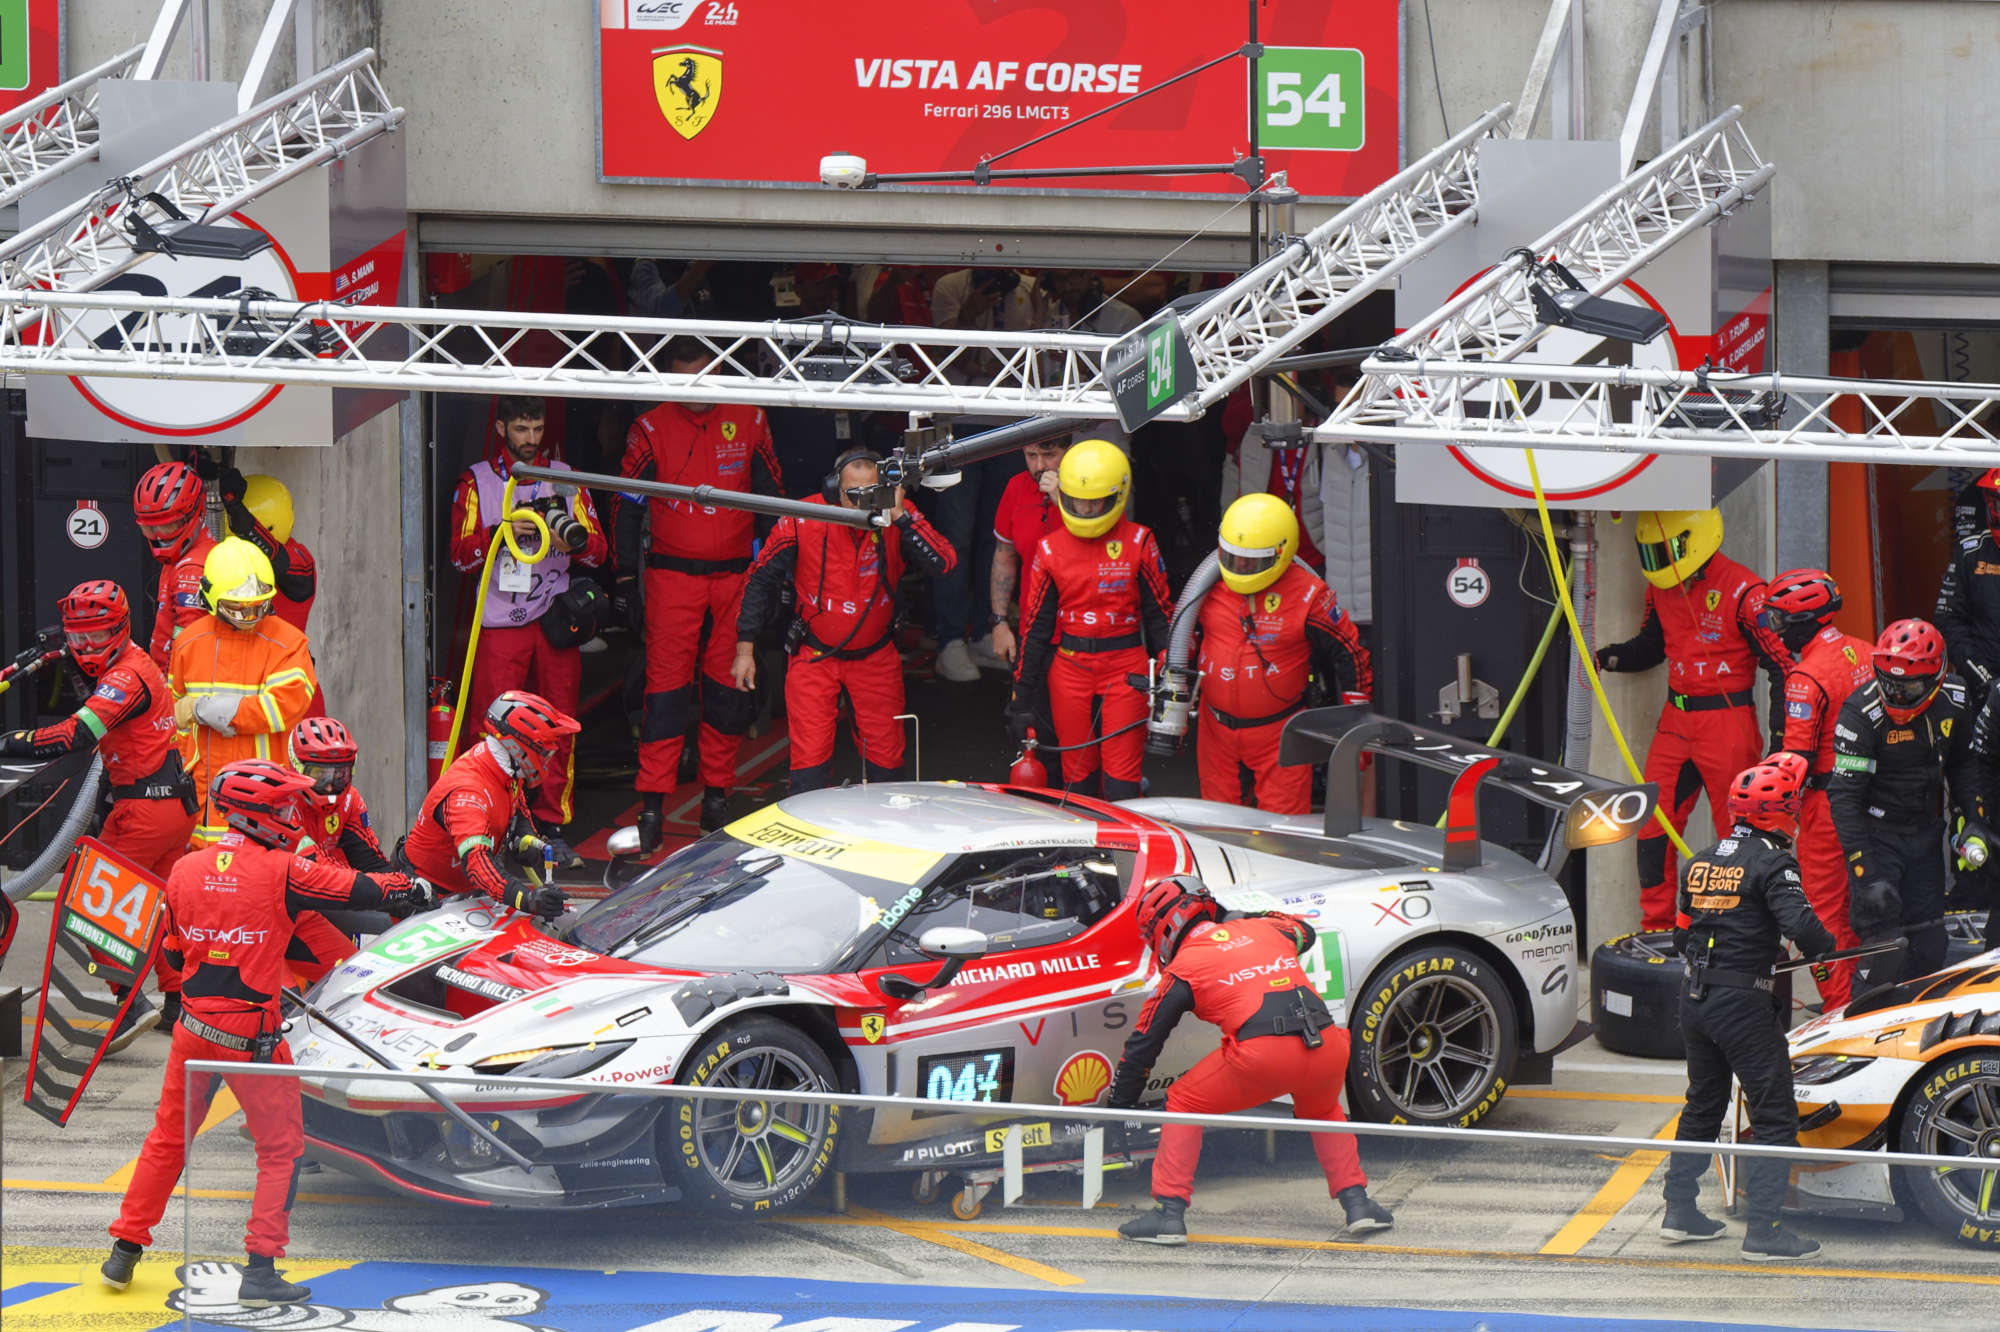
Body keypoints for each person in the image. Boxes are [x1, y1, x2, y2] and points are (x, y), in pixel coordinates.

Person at [101, 759, 424, 1305]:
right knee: (282, 1151)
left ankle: (123, 1254)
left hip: (191, 1030)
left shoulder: (185, 869)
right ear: (257, 816)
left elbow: (174, 951)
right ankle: (260, 1272)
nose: (290, 815)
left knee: (166, 1141)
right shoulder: (285, 870)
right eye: (281, 808)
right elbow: (361, 890)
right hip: (251, 1037)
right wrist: (409, 884)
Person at [1105, 875, 1393, 1244]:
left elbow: (1143, 1044)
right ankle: (1358, 1205)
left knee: (1182, 1103)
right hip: (1327, 1044)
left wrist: (1120, 1104)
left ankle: (1168, 1214)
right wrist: (1244, 915)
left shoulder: (1184, 967)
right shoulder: (1265, 927)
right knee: (1323, 1113)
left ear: (1163, 927)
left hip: (1264, 1055)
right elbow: (1305, 929)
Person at [0, 580, 197, 1043]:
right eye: (77, 638)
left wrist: (14, 742)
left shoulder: (127, 676)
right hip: (173, 806)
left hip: (144, 812)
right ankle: (176, 1002)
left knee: (83, 900)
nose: (86, 648)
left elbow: (77, 735)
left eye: (96, 637)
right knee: (162, 913)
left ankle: (129, 1004)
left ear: (121, 629)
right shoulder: (134, 663)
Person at [1661, 753, 1835, 1262]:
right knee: (1776, 1113)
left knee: (1703, 1103)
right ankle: (1766, 1229)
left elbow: (1679, 936)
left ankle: (1679, 1211)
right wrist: (1824, 944)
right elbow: (1803, 929)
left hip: (1694, 1000)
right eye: (1793, 806)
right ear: (1780, 812)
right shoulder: (1774, 862)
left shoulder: (1701, 860)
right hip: (1743, 1004)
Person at [1595, 509, 1791, 930]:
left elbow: (1782, 664)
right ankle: (1660, 928)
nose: (1657, 562)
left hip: (1727, 723)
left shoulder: (1745, 590)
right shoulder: (1660, 587)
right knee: (1652, 823)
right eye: (1650, 554)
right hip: (1675, 720)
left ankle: (1741, 931)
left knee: (1739, 835)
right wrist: (1608, 657)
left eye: (1663, 551)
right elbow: (1652, 646)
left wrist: (1781, 744)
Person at [617, 346, 782, 845]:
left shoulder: (750, 418)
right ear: (668, 381)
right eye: (685, 385)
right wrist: (625, 578)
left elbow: (773, 501)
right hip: (672, 580)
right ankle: (651, 809)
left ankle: (716, 799)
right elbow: (626, 507)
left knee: (728, 693)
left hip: (736, 579)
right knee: (664, 696)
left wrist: (776, 576)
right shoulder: (648, 428)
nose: (697, 396)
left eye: (704, 381)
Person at [732, 448, 956, 795]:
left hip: (875, 657)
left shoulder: (897, 516)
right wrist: (745, 648)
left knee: (887, 764)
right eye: (853, 495)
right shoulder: (802, 516)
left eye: (871, 493)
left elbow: (944, 564)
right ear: (834, 488)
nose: (862, 504)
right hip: (815, 656)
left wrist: (900, 516)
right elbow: (760, 578)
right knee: (809, 767)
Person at [451, 395, 608, 862]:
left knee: (558, 724)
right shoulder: (476, 480)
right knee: (493, 726)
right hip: (501, 622)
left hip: (556, 620)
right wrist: (508, 529)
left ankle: (552, 822)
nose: (531, 440)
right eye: (521, 430)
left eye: (537, 429)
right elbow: (459, 558)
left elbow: (599, 551)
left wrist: (570, 541)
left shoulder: (567, 478)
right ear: (501, 429)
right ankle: (491, 820)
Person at [1009, 440, 1173, 801]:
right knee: (1076, 775)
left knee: (1121, 778)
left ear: (1116, 496)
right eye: (1077, 500)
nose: (1084, 508)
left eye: (1094, 501)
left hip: (1125, 667)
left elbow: (1161, 617)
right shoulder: (1050, 548)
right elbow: (1035, 627)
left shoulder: (1140, 541)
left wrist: (1172, 678)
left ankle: (1125, 853)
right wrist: (1020, 698)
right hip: (1069, 668)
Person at [1829, 619, 1982, 991]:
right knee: (1884, 948)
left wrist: (1974, 819)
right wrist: (1865, 874)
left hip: (1926, 835)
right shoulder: (1860, 714)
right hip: (1876, 838)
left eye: (1908, 686)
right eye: (1889, 684)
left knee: (1931, 946)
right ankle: (1860, 1030)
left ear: (1936, 678)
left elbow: (1964, 765)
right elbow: (1844, 797)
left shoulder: (1956, 698)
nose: (1897, 695)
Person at [1193, 494, 1371, 813]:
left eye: (1252, 560)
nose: (1241, 567)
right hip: (1215, 731)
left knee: (1283, 833)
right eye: (1234, 558)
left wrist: (1357, 725)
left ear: (1280, 553)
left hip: (1280, 734)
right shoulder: (1207, 583)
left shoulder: (1310, 596)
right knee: (1217, 827)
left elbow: (1351, 655)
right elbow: (1177, 632)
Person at [928, 268, 1045, 683]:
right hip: (958, 422)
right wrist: (972, 309)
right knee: (954, 535)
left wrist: (1038, 309)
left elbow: (1040, 354)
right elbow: (945, 354)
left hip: (1011, 424)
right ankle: (948, 640)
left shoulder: (1029, 290)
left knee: (996, 536)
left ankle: (981, 630)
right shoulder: (950, 286)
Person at [1767, 568, 1874, 1010]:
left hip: (1827, 805)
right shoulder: (1867, 652)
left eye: (1780, 620)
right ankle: (1866, 998)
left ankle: (1839, 1009)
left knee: (1821, 912)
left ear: (1803, 620)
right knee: (1865, 909)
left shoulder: (1804, 677)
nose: (1776, 631)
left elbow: (1796, 760)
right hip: (1876, 799)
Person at [169, 538, 318, 846]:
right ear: (209, 596)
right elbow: (174, 724)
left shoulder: (289, 644)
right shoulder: (188, 643)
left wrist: (205, 709)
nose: (248, 617)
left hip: (265, 800)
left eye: (256, 607)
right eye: (236, 608)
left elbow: (283, 707)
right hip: (201, 801)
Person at [399, 691, 577, 919]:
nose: (547, 760)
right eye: (544, 753)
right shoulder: (469, 792)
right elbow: (477, 864)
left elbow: (517, 805)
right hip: (424, 899)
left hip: (463, 897)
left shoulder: (505, 767)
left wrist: (525, 837)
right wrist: (527, 899)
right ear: (518, 747)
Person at [986, 435, 1070, 666]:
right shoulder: (1016, 487)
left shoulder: (1090, 487)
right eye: (1031, 456)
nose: (1040, 466)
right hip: (1033, 628)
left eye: (1049, 455)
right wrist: (1000, 622)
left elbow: (1095, 551)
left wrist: (1060, 500)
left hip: (1082, 633)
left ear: (1069, 452)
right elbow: (1004, 557)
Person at [133, 460, 217, 672]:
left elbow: (189, 644)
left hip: (182, 687)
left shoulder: (193, 567)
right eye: (150, 529)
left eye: (168, 525)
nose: (160, 537)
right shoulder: (182, 557)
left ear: (194, 514)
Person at [1935, 467, 2000, 693]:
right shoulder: (1969, 551)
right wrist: (1981, 675)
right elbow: (1947, 620)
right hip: (1983, 684)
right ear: (1989, 504)